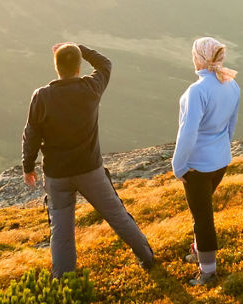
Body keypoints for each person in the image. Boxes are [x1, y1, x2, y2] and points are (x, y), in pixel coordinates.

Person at [22, 42, 156, 277]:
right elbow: (105, 64)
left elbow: (31, 134)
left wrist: (28, 166)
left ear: (56, 66)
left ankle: (64, 281)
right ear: (78, 66)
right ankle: (147, 257)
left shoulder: (42, 96)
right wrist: (80, 48)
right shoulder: (90, 88)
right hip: (90, 171)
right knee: (117, 215)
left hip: (57, 175)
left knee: (61, 231)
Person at [171, 37, 240, 286]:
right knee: (201, 209)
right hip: (220, 161)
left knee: (203, 217)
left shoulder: (196, 91)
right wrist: (221, 150)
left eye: (194, 54)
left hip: (197, 165)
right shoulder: (231, 84)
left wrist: (178, 166)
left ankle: (208, 272)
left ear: (200, 58)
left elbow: (188, 132)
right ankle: (200, 254)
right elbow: (230, 127)